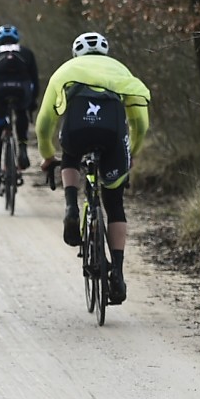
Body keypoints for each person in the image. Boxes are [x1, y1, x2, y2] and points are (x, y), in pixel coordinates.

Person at [35, 32, 151, 306]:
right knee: (114, 203)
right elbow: (141, 124)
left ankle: (72, 206)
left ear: (77, 54)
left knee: (71, 154)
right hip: (113, 136)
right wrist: (130, 153)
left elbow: (44, 123)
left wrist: (48, 156)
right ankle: (119, 274)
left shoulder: (65, 71)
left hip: (77, 132)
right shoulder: (121, 71)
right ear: (106, 53)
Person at [0, 24, 41, 198]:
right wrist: (32, 102)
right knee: (21, 113)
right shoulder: (27, 53)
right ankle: (23, 148)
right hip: (22, 90)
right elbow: (35, 80)